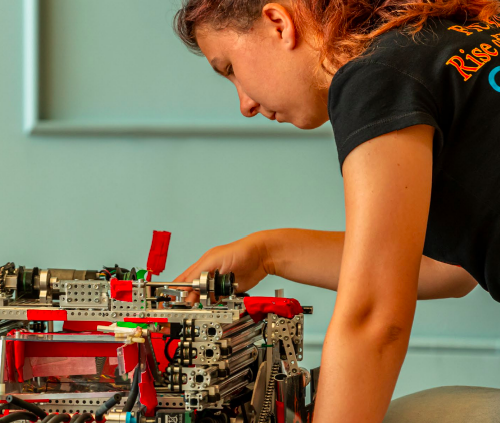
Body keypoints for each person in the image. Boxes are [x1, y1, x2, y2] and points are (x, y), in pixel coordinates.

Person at [169, 0, 500, 422]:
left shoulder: (375, 76)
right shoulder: (448, 38)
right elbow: (449, 268)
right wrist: (265, 252)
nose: (245, 104)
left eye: (230, 68)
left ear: (277, 23)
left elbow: (374, 320)